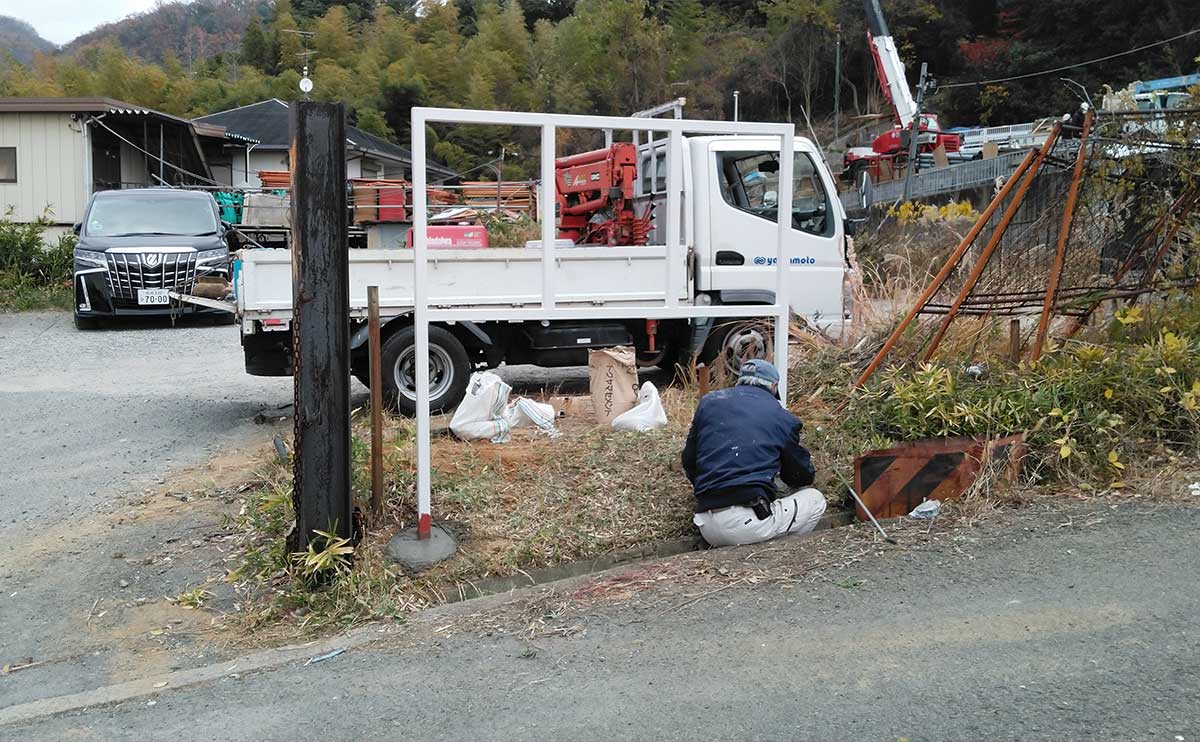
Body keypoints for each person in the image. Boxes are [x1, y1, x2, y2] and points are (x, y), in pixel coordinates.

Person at [681, 359, 826, 547]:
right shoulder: (781, 417)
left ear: (741, 380)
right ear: (773, 386)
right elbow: (799, 476)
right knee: (815, 499)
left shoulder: (709, 402)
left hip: (705, 523)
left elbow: (688, 459)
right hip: (747, 521)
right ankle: (780, 550)